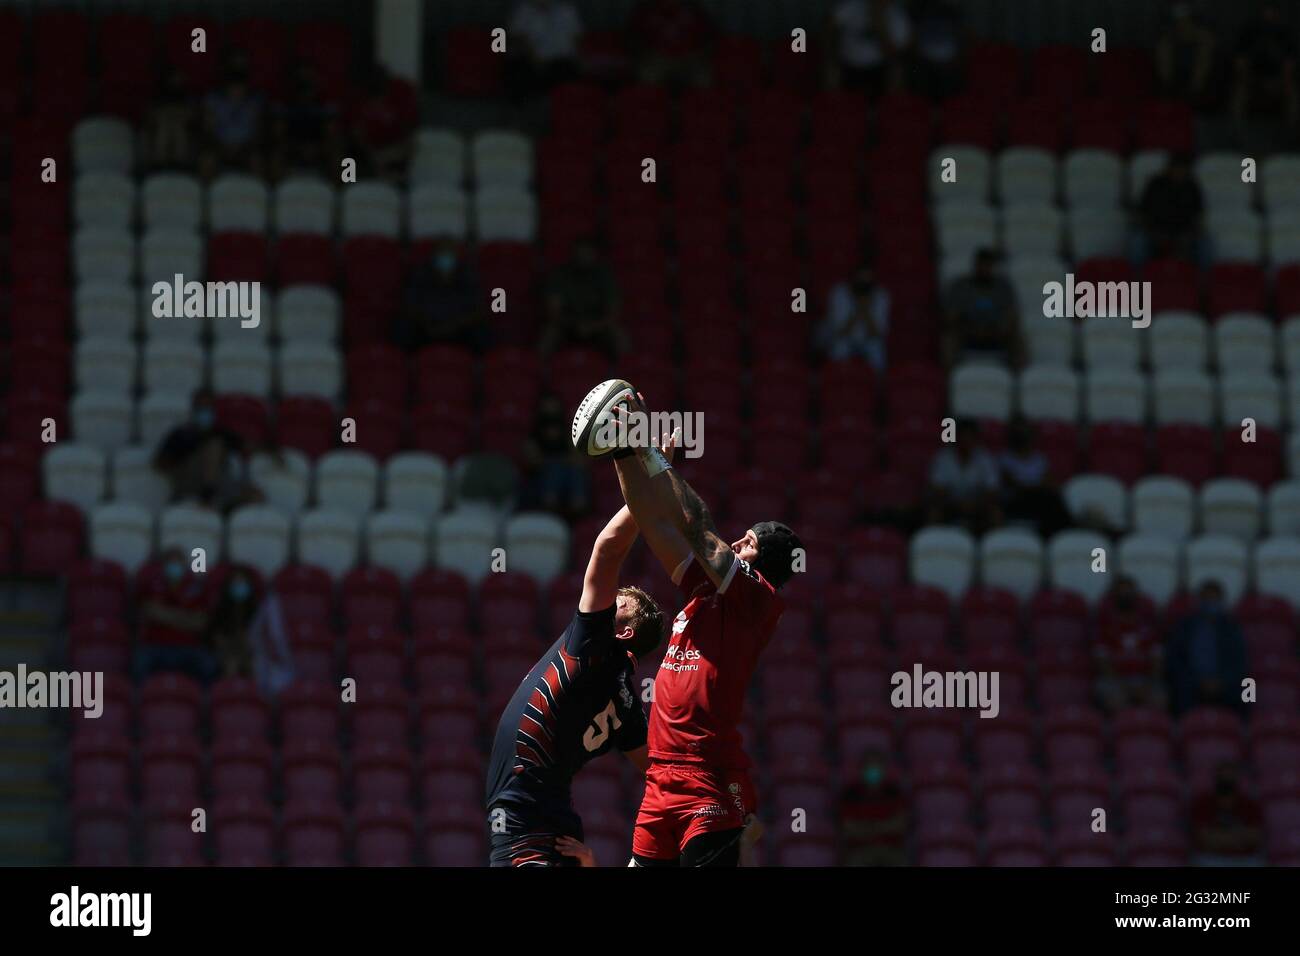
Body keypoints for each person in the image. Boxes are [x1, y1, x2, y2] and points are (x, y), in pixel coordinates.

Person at [610, 394, 802, 867]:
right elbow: (653, 521)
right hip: (661, 779)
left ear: (767, 564)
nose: (739, 542)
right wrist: (623, 450)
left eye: (751, 543)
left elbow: (697, 527)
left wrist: (655, 459)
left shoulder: (757, 600)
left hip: (708, 779)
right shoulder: (704, 592)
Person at [485, 503, 666, 867]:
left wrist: (646, 490)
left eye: (619, 603)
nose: (606, 599)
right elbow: (656, 772)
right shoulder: (627, 703)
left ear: (623, 631)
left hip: (524, 822)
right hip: (559, 828)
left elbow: (608, 547)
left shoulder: (593, 646)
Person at [152, 390, 260, 512]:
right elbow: (159, 463)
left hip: (218, 482)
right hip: (189, 482)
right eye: (201, 408)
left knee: (255, 496)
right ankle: (208, 497)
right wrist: (186, 452)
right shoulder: (181, 434)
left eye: (208, 408)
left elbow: (248, 446)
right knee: (214, 447)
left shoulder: (221, 432)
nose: (205, 412)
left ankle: (224, 507)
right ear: (194, 410)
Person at [208, 565, 294, 698]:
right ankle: (228, 700)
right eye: (236, 583)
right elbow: (216, 637)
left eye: (242, 583)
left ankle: (254, 703)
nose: (239, 586)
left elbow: (259, 638)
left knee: (256, 667)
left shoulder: (256, 609)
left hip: (252, 653)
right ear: (229, 586)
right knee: (231, 665)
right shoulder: (221, 609)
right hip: (227, 652)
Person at [134, 548, 218, 684]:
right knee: (139, 664)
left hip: (189, 646)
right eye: (170, 562)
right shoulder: (151, 585)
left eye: (178, 562)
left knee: (208, 665)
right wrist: (186, 618)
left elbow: (200, 624)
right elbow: (150, 612)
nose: (174, 566)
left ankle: (204, 702)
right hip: (155, 645)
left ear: (185, 564)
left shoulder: (196, 588)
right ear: (163, 566)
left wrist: (164, 615)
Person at [1166, 581, 1248, 717]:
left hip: (1224, 682)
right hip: (1192, 682)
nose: (1211, 603)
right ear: (1199, 600)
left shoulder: (1232, 627)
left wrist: (1222, 681)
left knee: (1249, 688)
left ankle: (1245, 731)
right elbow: (1175, 660)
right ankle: (1181, 730)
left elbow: (1240, 661)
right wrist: (1197, 681)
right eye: (1207, 599)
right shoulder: (1185, 626)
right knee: (1177, 688)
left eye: (1214, 599)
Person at [395, 236, 488, 352]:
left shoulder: (468, 274)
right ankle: (404, 364)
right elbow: (408, 306)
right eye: (442, 253)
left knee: (481, 332)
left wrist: (454, 325)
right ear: (433, 256)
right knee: (402, 327)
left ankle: (479, 366)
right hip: (426, 329)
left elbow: (478, 310)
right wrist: (428, 324)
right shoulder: (420, 273)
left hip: (459, 330)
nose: (445, 258)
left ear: (457, 256)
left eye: (449, 254)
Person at [538, 236, 626, 357]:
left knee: (619, 337)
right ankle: (540, 370)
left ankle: (625, 372)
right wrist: (575, 325)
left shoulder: (605, 275)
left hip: (598, 324)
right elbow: (553, 311)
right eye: (580, 252)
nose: (583, 256)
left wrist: (592, 326)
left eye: (588, 253)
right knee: (549, 335)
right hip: (567, 324)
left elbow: (613, 312)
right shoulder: (560, 274)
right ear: (573, 254)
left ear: (595, 254)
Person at [1094, 576, 1165, 713]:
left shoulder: (1148, 626)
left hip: (1144, 680)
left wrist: (1147, 685)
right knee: (1115, 699)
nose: (1125, 596)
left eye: (1128, 592)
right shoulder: (1105, 627)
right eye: (1121, 592)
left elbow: (1157, 660)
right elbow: (1102, 662)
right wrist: (1123, 686)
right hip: (1115, 680)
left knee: (1159, 698)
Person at [941, 248, 1022, 369]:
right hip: (968, 332)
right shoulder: (960, 286)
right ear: (975, 265)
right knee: (949, 340)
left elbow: (1011, 314)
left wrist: (999, 328)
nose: (985, 269)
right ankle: (949, 376)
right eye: (982, 265)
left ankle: (1020, 378)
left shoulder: (1003, 287)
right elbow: (950, 315)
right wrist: (967, 326)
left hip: (996, 332)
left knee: (1017, 339)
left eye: (988, 265)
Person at [998, 415, 1071, 538]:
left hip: (1038, 501)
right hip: (1015, 502)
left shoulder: (1039, 459)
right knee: (1049, 500)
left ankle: (1061, 535)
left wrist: (1034, 487)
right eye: (1018, 433)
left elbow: (1049, 482)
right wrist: (1036, 487)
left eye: (1024, 432)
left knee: (1053, 499)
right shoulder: (1005, 458)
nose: (1022, 436)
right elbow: (1014, 486)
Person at [521, 393, 591, 519]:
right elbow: (533, 461)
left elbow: (579, 460)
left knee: (575, 472)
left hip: (568, 479)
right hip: (541, 481)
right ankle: (550, 505)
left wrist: (561, 462)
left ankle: (577, 509)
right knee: (554, 470)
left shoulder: (568, 433)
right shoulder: (534, 435)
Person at [925, 418, 1001, 534]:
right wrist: (958, 504)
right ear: (955, 438)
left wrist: (975, 503)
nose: (966, 440)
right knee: (933, 512)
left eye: (970, 436)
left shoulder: (985, 458)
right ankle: (934, 542)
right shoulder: (943, 458)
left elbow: (992, 490)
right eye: (962, 436)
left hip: (977, 505)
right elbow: (937, 490)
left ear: (976, 439)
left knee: (995, 513)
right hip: (951, 505)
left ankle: (992, 546)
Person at [345, 63, 418, 181]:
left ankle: (394, 186)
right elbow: (356, 134)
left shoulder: (399, 99)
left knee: (406, 154)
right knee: (347, 159)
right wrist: (371, 157)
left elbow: (408, 140)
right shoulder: (357, 100)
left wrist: (384, 157)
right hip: (364, 157)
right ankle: (347, 188)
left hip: (391, 155)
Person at [1231, 2, 1298, 126]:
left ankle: (1292, 128)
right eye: (1267, 10)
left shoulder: (1285, 32)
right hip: (1252, 75)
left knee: (1291, 92)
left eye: (1272, 11)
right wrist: (1246, 77)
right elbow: (1240, 59)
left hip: (1278, 77)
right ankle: (1236, 127)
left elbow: (1290, 63)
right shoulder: (1249, 30)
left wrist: (1282, 80)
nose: (1269, 14)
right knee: (1240, 90)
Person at [825, 0, 912, 96]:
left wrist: (879, 23)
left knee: (896, 72)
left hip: (878, 69)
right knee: (830, 71)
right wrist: (831, 56)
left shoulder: (898, 17)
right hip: (847, 65)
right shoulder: (854, 5)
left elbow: (895, 56)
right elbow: (829, 25)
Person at [270, 63, 341, 180]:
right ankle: (274, 191)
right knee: (276, 155)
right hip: (292, 145)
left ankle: (342, 191)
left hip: (319, 146)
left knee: (346, 160)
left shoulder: (324, 104)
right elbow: (278, 132)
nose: (305, 80)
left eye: (308, 77)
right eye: (302, 77)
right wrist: (297, 146)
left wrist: (317, 146)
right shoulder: (286, 103)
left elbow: (331, 131)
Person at [199, 55, 266, 179]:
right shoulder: (214, 101)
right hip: (220, 147)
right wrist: (222, 146)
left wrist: (244, 146)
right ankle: (206, 195)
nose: (237, 90)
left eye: (240, 86)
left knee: (256, 160)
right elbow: (208, 129)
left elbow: (258, 130)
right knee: (207, 159)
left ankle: (260, 193)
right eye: (233, 86)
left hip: (246, 148)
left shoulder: (254, 102)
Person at [1133, 154, 1206, 266]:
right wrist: (1153, 233)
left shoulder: (1192, 187)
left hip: (1184, 236)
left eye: (1182, 169)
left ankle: (1202, 282)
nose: (1179, 172)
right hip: (1154, 233)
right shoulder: (1155, 184)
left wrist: (1189, 235)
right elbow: (1142, 213)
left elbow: (1198, 216)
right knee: (1137, 243)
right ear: (1169, 169)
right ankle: (1138, 280)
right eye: (1176, 168)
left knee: (1205, 245)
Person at [816, 259, 890, 371]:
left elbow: (877, 333)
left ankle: (879, 384)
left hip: (869, 339)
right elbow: (840, 331)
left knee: (877, 351)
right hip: (844, 338)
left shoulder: (881, 295)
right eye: (861, 280)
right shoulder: (839, 293)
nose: (863, 284)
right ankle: (837, 381)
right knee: (839, 349)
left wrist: (865, 311)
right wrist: (857, 310)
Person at [838, 750, 908, 866]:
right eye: (869, 766)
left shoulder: (894, 792)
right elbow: (848, 828)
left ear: (884, 769)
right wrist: (884, 827)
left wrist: (868, 828)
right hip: (860, 851)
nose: (873, 771)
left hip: (890, 850)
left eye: (876, 766)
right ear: (862, 769)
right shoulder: (850, 795)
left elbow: (900, 824)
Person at [626, 0, 716, 88]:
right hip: (657, 59)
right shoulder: (646, 10)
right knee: (646, 77)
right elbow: (631, 37)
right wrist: (644, 54)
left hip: (689, 57)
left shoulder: (693, 9)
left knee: (704, 79)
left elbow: (709, 36)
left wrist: (699, 54)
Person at [1190, 763, 1265, 866]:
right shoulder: (1203, 804)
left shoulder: (1249, 805)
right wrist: (1238, 839)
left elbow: (1254, 837)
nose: (1226, 782)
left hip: (1244, 859)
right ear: (1216, 779)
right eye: (1223, 778)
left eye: (1230, 779)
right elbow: (1204, 838)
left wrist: (1219, 839)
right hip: (1211, 858)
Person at [506, 0, 583, 96]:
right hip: (531, 62)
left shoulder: (567, 11)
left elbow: (576, 41)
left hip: (561, 62)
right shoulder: (523, 11)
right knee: (517, 68)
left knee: (566, 72)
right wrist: (532, 56)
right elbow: (516, 38)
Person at [1155, 2, 1216, 106]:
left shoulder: (1202, 14)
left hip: (1199, 72)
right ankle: (1169, 93)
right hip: (1175, 68)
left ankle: (1194, 93)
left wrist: (1193, 33)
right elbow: (1165, 35)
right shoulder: (1167, 29)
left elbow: (1210, 39)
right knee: (1164, 46)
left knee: (1205, 45)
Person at [143, 67, 199, 172]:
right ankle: (158, 165)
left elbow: (193, 117)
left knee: (178, 127)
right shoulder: (157, 99)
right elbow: (150, 117)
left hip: (183, 133)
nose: (176, 82)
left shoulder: (189, 98)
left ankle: (180, 165)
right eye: (173, 79)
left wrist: (178, 116)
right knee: (164, 126)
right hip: (161, 131)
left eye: (179, 79)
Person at [910, 0, 964, 99]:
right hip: (924, 64)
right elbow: (913, 39)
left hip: (949, 65)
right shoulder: (918, 11)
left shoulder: (952, 12)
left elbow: (959, 38)